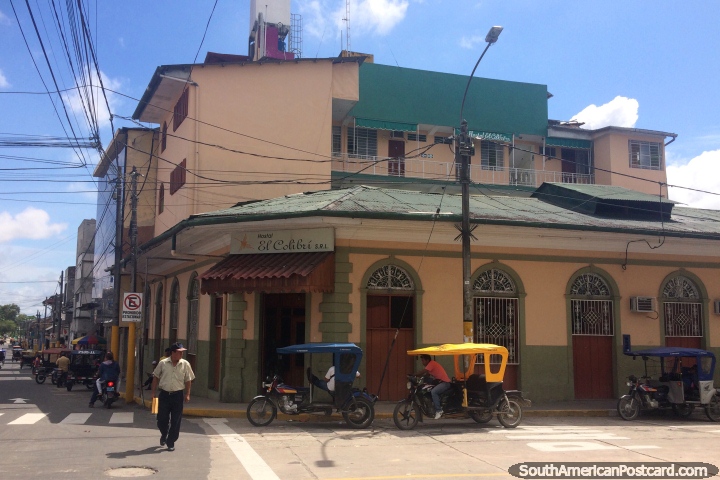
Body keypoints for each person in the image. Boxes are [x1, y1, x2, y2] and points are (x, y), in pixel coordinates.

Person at [151, 343, 195, 452]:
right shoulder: (163, 363)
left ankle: (171, 441)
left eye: (182, 352)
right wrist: (153, 393)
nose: (181, 354)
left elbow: (188, 380)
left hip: (177, 396)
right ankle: (164, 434)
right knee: (161, 419)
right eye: (179, 352)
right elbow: (155, 377)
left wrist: (188, 394)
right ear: (173, 352)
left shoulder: (185, 364)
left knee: (176, 420)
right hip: (164, 395)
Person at [415, 354, 452, 419]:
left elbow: (423, 371)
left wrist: (414, 375)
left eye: (423, 360)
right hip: (439, 382)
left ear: (427, 360)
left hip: (445, 383)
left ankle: (439, 410)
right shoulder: (430, 367)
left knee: (434, 392)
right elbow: (426, 375)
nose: (422, 362)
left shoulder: (431, 364)